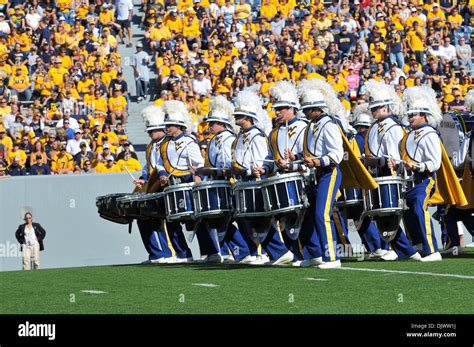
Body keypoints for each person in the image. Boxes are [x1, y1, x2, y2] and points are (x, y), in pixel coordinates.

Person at [231, 88, 294, 266]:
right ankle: (268, 252)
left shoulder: (257, 136)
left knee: (259, 218)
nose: (236, 118)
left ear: (248, 118)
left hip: (255, 182)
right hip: (244, 183)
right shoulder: (241, 136)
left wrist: (249, 171)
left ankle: (277, 251)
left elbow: (261, 162)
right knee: (249, 218)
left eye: (240, 116)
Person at [363, 79, 421, 262]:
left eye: (377, 107)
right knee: (381, 214)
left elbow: (396, 158)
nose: (373, 111)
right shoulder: (374, 128)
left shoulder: (394, 128)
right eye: (372, 108)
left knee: (391, 213)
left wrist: (378, 161)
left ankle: (410, 250)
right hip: (377, 175)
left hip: (392, 176)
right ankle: (402, 250)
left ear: (386, 108)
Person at [157, 100, 217, 263]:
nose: (166, 127)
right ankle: (184, 254)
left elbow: (199, 163)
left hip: (187, 182)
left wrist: (195, 175)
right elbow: (159, 162)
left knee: (194, 218)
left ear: (178, 126)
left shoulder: (189, 141)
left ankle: (211, 252)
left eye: (170, 125)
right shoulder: (164, 143)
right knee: (172, 219)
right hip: (171, 184)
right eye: (166, 124)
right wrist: (162, 173)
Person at [195, 95, 252, 263]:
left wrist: (212, 171)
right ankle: (222, 252)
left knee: (225, 218)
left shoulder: (228, 139)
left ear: (221, 124)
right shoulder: (215, 140)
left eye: (212, 123)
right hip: (217, 184)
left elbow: (230, 165)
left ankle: (245, 252)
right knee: (213, 219)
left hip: (229, 185)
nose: (209, 126)